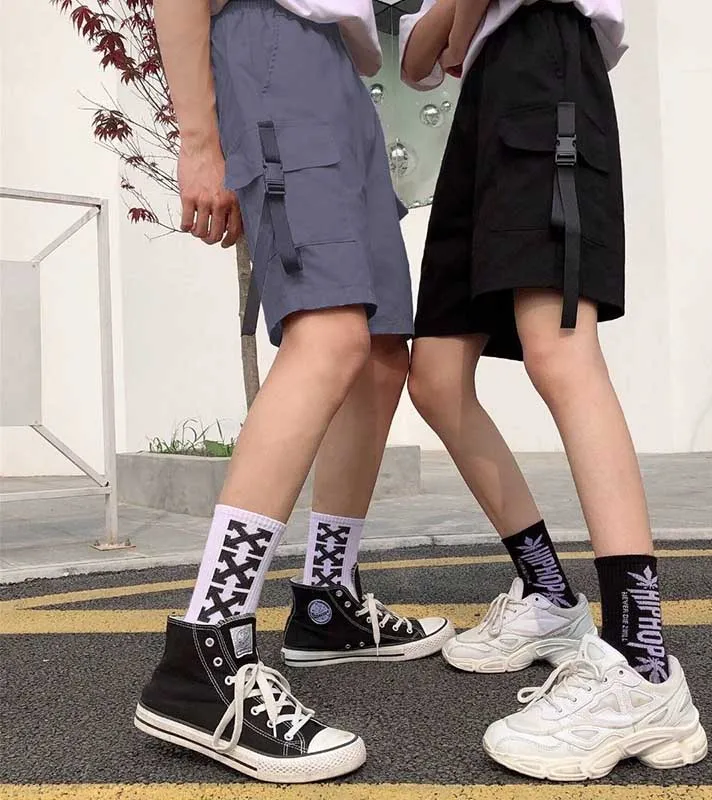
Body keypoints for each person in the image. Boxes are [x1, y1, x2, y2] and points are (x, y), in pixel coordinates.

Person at [134, 0, 453, 784]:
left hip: (340, 67)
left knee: (380, 350)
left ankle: (327, 601)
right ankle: (205, 650)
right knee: (329, 334)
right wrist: (200, 141)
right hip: (272, 47)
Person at [400, 0, 707, 782]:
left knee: (562, 353)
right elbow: (415, 61)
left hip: (544, 58)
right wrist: (460, 29)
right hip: (484, 106)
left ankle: (643, 664)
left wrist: (458, 30)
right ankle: (548, 596)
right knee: (435, 378)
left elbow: (443, 44)